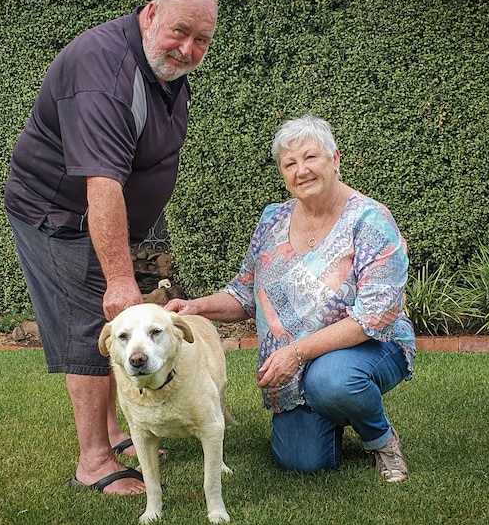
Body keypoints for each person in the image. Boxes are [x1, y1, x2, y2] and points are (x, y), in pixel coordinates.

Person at [3, 0, 218, 495]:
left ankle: (117, 431)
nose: (188, 49)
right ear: (150, 14)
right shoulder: (102, 71)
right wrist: (120, 278)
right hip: (60, 216)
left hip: (102, 218)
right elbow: (101, 185)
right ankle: (94, 461)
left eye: (201, 41)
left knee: (112, 324)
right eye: (179, 32)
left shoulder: (163, 69)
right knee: (88, 326)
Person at [165, 114, 416, 481]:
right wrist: (195, 307)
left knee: (332, 381)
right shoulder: (272, 220)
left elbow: (374, 317)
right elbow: (244, 293)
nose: (302, 170)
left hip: (373, 348)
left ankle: (380, 438)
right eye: (290, 163)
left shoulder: (370, 220)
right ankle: (333, 411)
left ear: (335, 159)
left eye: (311, 157)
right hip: (297, 365)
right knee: (300, 461)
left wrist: (296, 353)